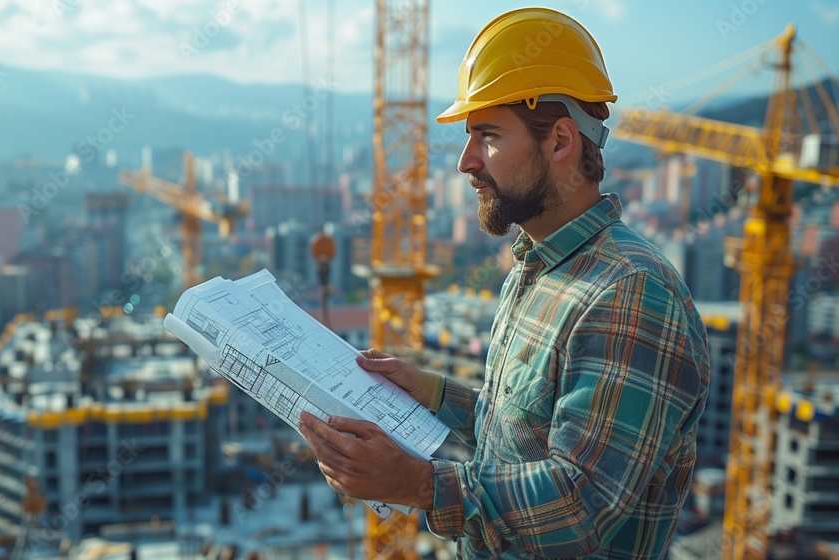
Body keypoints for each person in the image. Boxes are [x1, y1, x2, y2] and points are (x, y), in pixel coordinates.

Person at [298, 7, 711, 559]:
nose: (467, 162)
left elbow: (579, 506)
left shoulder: (629, 293)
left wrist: (418, 484)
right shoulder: (538, 268)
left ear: (561, 141)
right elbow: (525, 439)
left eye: (487, 136)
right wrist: (433, 393)